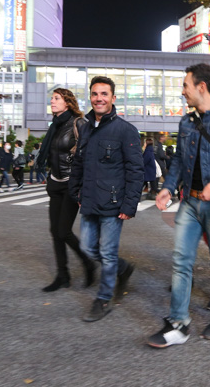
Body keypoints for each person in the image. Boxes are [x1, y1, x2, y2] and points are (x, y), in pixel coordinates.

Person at [146, 63, 210, 349]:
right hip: (189, 202)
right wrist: (168, 187)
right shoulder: (186, 121)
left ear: (201, 87)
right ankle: (178, 323)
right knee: (181, 261)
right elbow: (179, 160)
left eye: (185, 86)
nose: (183, 92)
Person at [69, 76, 144, 322]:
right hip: (90, 200)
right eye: (94, 94)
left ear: (113, 98)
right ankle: (123, 269)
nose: (98, 98)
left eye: (104, 94)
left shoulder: (126, 130)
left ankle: (103, 299)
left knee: (107, 253)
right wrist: (76, 191)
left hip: (114, 203)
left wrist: (129, 205)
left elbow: (136, 170)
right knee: (87, 247)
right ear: (90, 97)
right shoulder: (86, 127)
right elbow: (79, 163)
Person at [35, 88, 97, 292]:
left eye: (56, 98)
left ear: (67, 103)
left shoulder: (79, 124)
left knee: (63, 230)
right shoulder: (54, 126)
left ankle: (88, 263)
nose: (52, 102)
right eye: (52, 98)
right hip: (55, 182)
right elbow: (51, 154)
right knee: (55, 231)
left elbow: (88, 154)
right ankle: (63, 275)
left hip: (71, 183)